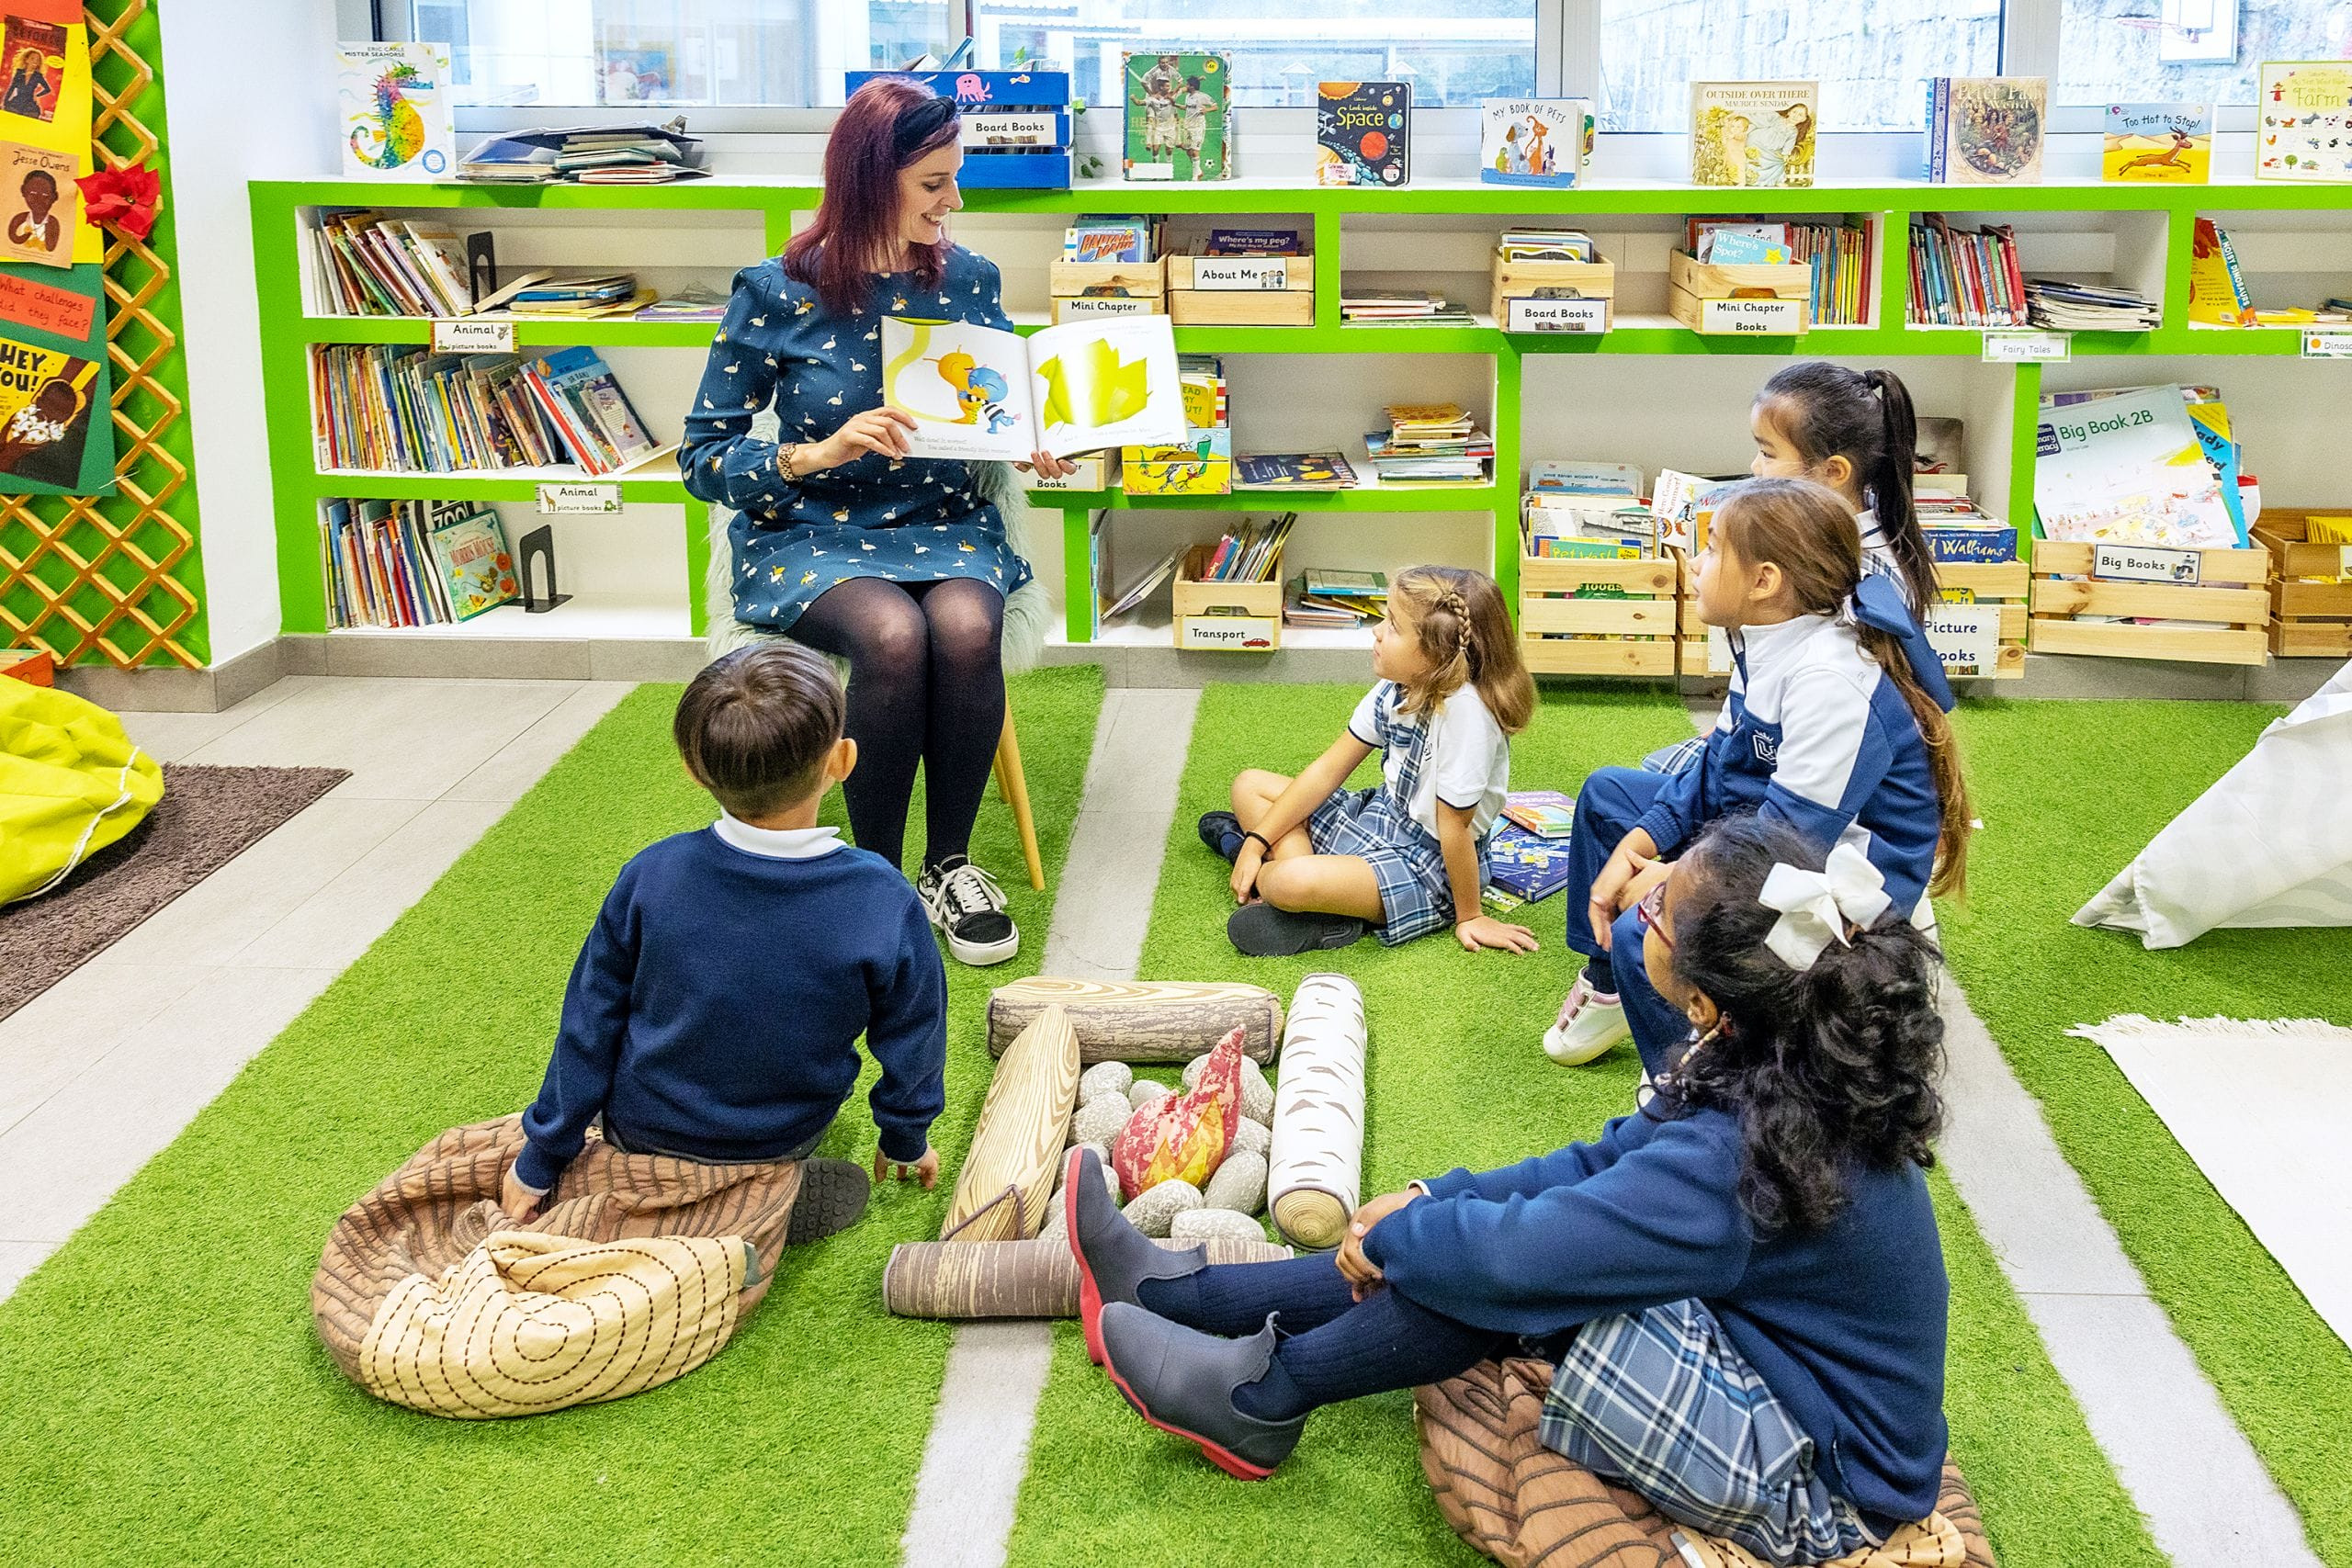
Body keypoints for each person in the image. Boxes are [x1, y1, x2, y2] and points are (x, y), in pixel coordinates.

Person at [1065, 814, 1952, 1568]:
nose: (1640, 886)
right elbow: (1595, 1167)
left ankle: (1259, 1394)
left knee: (1517, 1280)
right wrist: (1426, 1195)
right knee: (1499, 1243)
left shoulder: (1735, 1158)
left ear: (1707, 996)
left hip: (1822, 1482)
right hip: (1785, 1374)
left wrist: (1398, 1237)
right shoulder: (1773, 1059)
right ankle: (1189, 1296)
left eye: (1656, 901)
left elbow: (1517, 1254)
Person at [677, 78, 1077, 967]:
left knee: (968, 627)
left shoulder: (968, 279)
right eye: (934, 183)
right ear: (870, 179)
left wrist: (1032, 447)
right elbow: (703, 457)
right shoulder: (775, 290)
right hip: (811, 530)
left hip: (942, 520)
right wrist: (816, 454)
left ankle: (949, 864)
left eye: (954, 179)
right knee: (894, 635)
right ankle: (876, 879)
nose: (954, 202)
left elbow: (998, 409)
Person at [500, 643, 949, 1244]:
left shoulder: (649, 875)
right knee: (786, 1164)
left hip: (638, 1132)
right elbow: (915, 1033)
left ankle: (671, 1196)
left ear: (693, 769)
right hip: (784, 1133)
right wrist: (905, 1136)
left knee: (627, 1149)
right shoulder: (883, 898)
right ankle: (763, 1195)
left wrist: (542, 1158)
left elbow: (588, 1023)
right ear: (843, 760)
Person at [1545, 478, 1970, 1070]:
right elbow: (1713, 771)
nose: (1694, 562)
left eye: (1712, 548)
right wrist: (1640, 844)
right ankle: (1610, 977)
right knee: (1609, 798)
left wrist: (1672, 881)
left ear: (1765, 581)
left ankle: (1696, 1081)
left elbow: (1792, 837)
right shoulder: (1767, 639)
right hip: (1776, 833)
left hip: (1835, 877)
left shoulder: (1832, 677)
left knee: (1655, 940)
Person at [1197, 566, 1538, 958]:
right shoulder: (1399, 687)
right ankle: (1315, 900)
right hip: (1379, 817)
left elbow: (1454, 831)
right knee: (1249, 785)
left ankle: (1291, 887)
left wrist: (1470, 916)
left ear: (1436, 654)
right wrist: (1257, 843)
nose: (1377, 631)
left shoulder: (1468, 717)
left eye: (1392, 625)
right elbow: (1328, 770)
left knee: (1286, 881)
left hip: (1429, 864)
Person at [1645, 362, 1938, 776]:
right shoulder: (1810, 538)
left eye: (1768, 453)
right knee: (1653, 778)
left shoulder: (1861, 573)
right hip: (1768, 728)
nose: (1755, 468)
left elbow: (1844, 717)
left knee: (1654, 792)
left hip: (1816, 760)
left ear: (1833, 472)